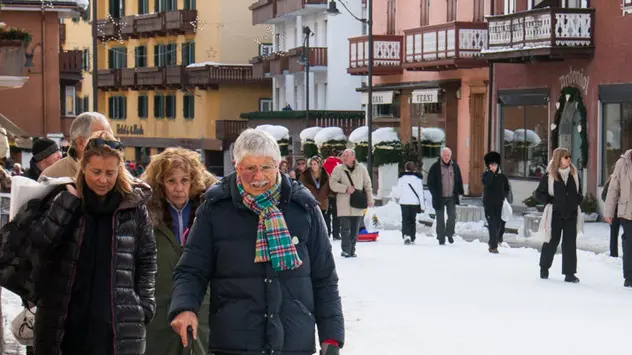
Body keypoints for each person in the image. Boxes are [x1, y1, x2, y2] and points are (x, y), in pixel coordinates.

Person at [168, 128, 344, 355]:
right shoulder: (215, 209)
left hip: (293, 341)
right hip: (235, 341)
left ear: (279, 165)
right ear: (236, 166)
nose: (258, 176)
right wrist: (184, 308)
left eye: (265, 167)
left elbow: (324, 278)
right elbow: (191, 270)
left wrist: (332, 336)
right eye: (249, 168)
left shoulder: (304, 208)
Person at [19, 131, 157, 354]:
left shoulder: (133, 207)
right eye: (96, 172)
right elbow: (38, 246)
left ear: (119, 171)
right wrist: (66, 205)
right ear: (83, 168)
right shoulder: (62, 197)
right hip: (64, 322)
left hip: (116, 324)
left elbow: (147, 258)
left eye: (110, 173)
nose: (103, 179)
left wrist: (145, 305)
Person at [143, 148, 217, 355]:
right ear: (160, 183)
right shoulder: (145, 215)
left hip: (202, 307)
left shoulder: (208, 213)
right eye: (171, 181)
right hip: (159, 311)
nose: (178, 188)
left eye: (184, 180)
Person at [535, 147, 582, 283]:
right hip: (555, 214)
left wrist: (577, 200)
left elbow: (579, 192)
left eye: (569, 157)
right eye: (565, 157)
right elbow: (539, 194)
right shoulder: (550, 175)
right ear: (558, 159)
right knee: (551, 242)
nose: (568, 160)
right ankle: (544, 268)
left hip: (571, 214)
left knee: (570, 244)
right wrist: (551, 201)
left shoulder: (574, 174)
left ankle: (569, 273)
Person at [39, 112, 112, 181]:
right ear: (80, 143)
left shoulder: (119, 173)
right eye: (101, 141)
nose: (110, 146)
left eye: (112, 140)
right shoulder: (50, 177)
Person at [329, 149, 374, 257]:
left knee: (354, 230)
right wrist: (345, 188)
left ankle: (352, 249)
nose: (344, 157)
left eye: (347, 155)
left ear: (353, 157)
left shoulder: (362, 169)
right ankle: (345, 250)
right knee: (345, 229)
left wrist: (370, 199)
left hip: (357, 203)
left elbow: (367, 185)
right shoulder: (338, 169)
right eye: (343, 155)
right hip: (343, 203)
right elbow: (332, 184)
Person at [604, 148, 632, 287]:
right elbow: (613, 188)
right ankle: (629, 277)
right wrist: (609, 212)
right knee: (629, 245)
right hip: (627, 212)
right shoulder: (622, 163)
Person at [427, 147, 464, 245]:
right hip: (439, 197)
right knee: (440, 218)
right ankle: (441, 237)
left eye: (448, 155)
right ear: (441, 156)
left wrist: (460, 192)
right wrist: (434, 194)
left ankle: (450, 233)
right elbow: (430, 183)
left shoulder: (455, 166)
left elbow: (459, 180)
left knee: (452, 216)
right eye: (444, 155)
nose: (446, 157)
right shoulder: (435, 167)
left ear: (450, 156)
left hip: (451, 196)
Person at [482, 152, 510, 254]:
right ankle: (493, 247)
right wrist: (490, 173)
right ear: (488, 165)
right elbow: (486, 183)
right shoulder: (486, 175)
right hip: (488, 204)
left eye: (495, 164)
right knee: (492, 224)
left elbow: (507, 189)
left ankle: (493, 241)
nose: (493, 166)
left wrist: (503, 196)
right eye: (491, 164)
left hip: (499, 204)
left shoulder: (502, 177)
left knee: (498, 225)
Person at [396, 161, 424, 245]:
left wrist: (398, 196)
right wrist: (422, 206)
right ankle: (412, 236)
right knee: (412, 220)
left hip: (404, 202)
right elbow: (420, 193)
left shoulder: (401, 179)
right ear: (414, 169)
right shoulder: (418, 179)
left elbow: (398, 192)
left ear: (405, 169)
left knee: (405, 219)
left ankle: (406, 235)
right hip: (414, 202)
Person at [602, 171, 623, 258]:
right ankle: (613, 254)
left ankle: (615, 254)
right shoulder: (611, 180)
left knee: (623, 234)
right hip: (614, 212)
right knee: (614, 234)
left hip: (623, 211)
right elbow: (604, 195)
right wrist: (612, 204)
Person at [323, 152, 342, 240]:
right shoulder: (339, 164)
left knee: (327, 215)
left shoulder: (327, 163)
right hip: (336, 193)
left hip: (327, 194)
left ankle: (327, 233)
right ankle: (336, 234)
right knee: (336, 215)